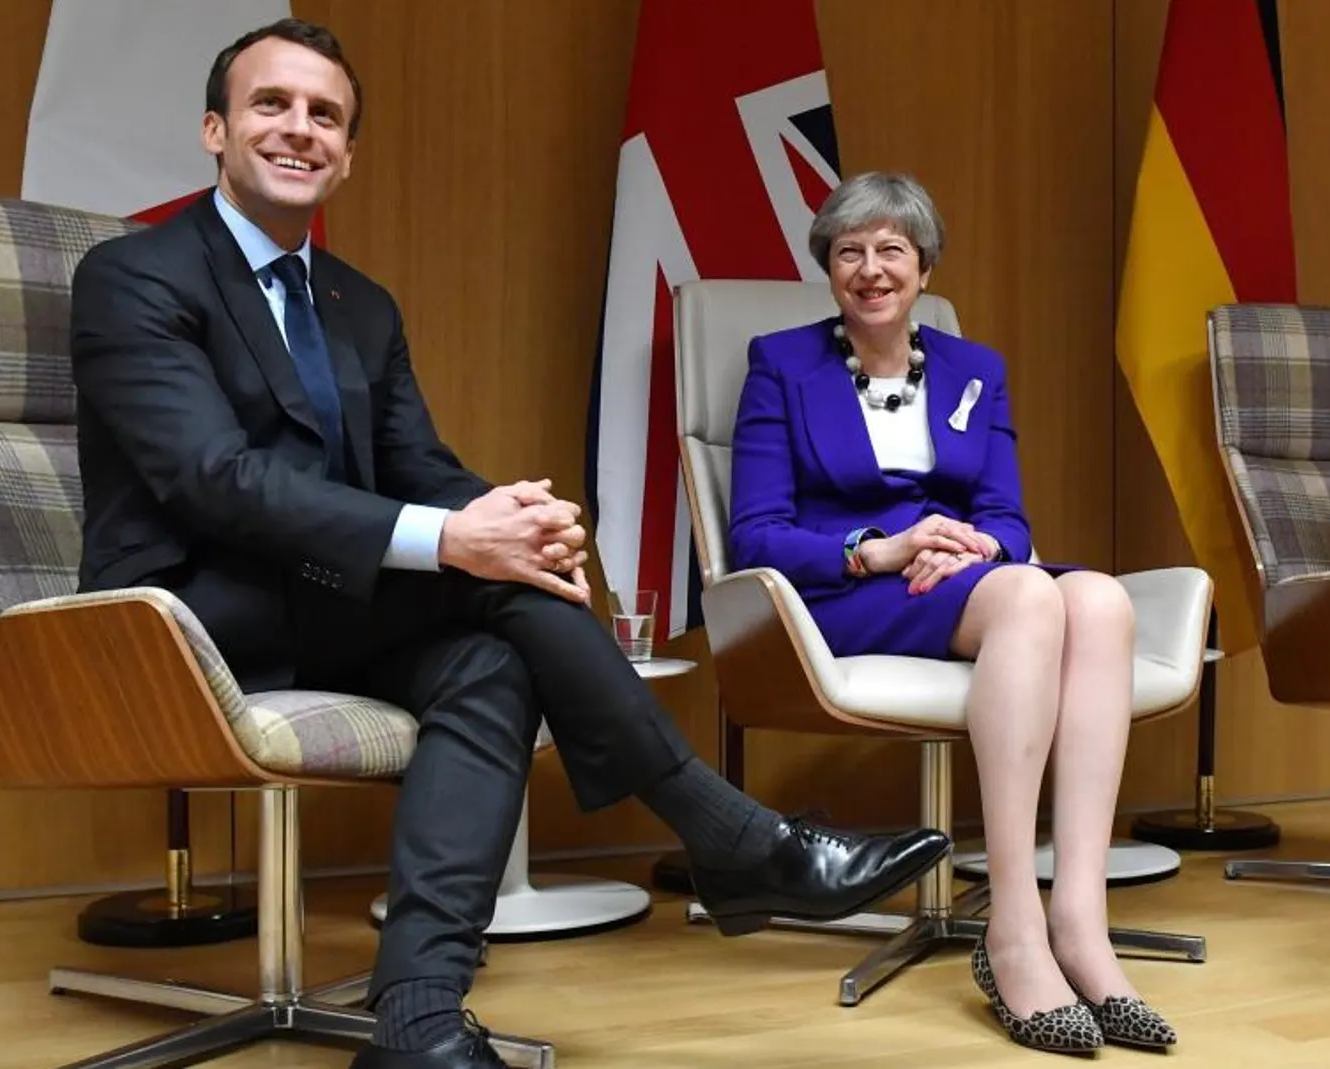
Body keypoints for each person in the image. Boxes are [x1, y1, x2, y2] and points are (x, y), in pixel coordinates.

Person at [68, 20, 950, 1069]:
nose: (298, 129)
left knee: (493, 658)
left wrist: (515, 520)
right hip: (179, 612)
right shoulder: (135, 275)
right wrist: (460, 540)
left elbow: (419, 465)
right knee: (502, 597)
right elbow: (211, 479)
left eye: (325, 115)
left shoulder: (359, 305)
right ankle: (733, 838)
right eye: (272, 105)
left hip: (327, 602)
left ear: (347, 153)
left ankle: (417, 1016)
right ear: (215, 129)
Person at [726, 172, 1175, 1055]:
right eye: (849, 250)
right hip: (846, 594)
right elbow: (756, 534)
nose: (870, 267)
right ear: (828, 269)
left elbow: (1008, 517)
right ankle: (1013, 925)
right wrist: (877, 548)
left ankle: (1079, 918)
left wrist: (971, 549)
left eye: (891, 248)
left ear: (925, 267)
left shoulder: (977, 370)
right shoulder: (782, 363)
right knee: (1034, 594)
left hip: (959, 577)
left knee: (1101, 598)